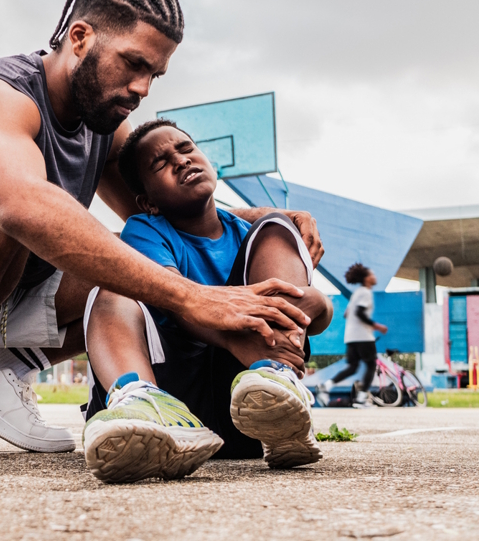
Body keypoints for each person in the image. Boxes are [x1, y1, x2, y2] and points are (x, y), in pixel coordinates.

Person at [0, 0, 324, 460]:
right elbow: (16, 204)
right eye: (133, 64)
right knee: (4, 195)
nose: (142, 89)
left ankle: (3, 375)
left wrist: (267, 219)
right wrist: (190, 297)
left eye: (154, 74)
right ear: (80, 37)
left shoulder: (102, 124)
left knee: (132, 256)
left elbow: (158, 213)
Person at [81, 120, 333, 483]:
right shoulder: (146, 229)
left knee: (278, 226)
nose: (181, 161)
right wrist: (235, 334)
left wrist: (315, 305)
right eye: (161, 163)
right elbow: (174, 300)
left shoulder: (255, 237)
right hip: (177, 397)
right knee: (111, 289)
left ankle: (275, 385)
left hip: (243, 407)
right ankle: (139, 402)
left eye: (185, 149)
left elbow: (317, 313)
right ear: (148, 201)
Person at [317, 263, 387, 408]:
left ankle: (326, 386)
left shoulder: (357, 293)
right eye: (372, 274)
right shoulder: (365, 293)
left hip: (350, 337)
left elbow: (346, 313)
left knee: (353, 367)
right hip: (363, 336)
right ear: (367, 279)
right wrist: (377, 326)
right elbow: (359, 313)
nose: (375, 277)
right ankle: (361, 399)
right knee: (371, 365)